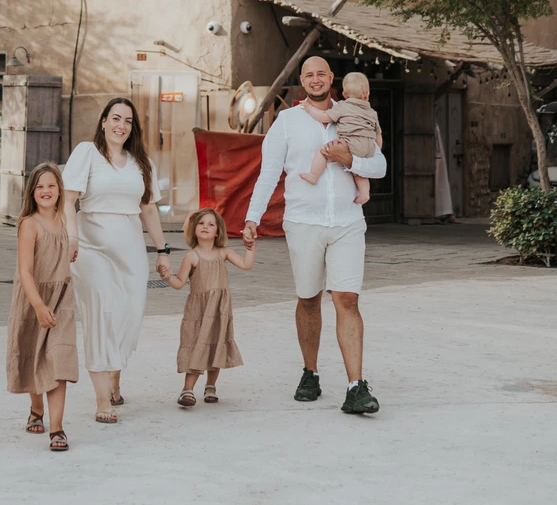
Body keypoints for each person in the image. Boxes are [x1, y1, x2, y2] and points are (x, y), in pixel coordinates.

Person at [243, 54, 386, 417]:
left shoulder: (354, 112)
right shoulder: (287, 121)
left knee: (347, 300)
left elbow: (380, 164)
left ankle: (356, 387)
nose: (316, 79)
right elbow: (269, 172)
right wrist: (252, 218)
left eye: (322, 73)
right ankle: (311, 373)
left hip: (347, 222)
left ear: (332, 78)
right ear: (302, 80)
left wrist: (348, 159)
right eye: (309, 75)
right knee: (308, 299)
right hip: (304, 223)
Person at [63, 97, 169, 423]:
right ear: (104, 121)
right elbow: (68, 199)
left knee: (129, 314)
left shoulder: (141, 162)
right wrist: (72, 237)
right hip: (90, 249)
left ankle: (114, 375)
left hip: (131, 250)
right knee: (101, 315)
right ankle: (101, 400)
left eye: (127, 121)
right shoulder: (86, 153)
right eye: (115, 118)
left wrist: (162, 250)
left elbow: (148, 208)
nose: (120, 125)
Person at [5, 162, 78, 453]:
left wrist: (73, 246)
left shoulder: (64, 220)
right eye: (40, 187)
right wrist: (37, 305)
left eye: (51, 185)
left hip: (62, 298)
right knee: (35, 358)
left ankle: (57, 428)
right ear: (31, 193)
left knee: (58, 361)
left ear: (60, 189)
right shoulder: (29, 224)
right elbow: (25, 271)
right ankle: (37, 409)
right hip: (33, 297)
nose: (46, 191)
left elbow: (68, 245)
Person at [158, 206, 255, 407]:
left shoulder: (224, 253)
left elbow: (246, 265)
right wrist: (167, 276)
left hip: (219, 309)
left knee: (216, 344)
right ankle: (187, 389)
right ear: (194, 229)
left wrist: (250, 248)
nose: (205, 227)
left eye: (211, 224)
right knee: (197, 346)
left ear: (218, 231)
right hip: (199, 312)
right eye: (201, 223)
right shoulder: (192, 256)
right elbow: (179, 283)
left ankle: (211, 385)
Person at [297, 71, 382, 202]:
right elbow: (378, 135)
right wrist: (376, 150)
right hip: (369, 147)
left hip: (350, 143)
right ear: (367, 95)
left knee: (323, 150)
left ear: (344, 94)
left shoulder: (343, 106)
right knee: (358, 170)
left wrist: (309, 108)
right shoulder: (372, 112)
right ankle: (365, 193)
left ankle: (313, 175)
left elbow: (324, 117)